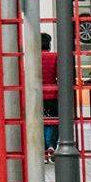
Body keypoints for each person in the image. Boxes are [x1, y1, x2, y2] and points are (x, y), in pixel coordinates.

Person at [41, 31, 59, 160]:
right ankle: (52, 145)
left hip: (37, 96)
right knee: (55, 121)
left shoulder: (32, 57)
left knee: (38, 122)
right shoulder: (54, 56)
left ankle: (42, 150)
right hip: (53, 95)